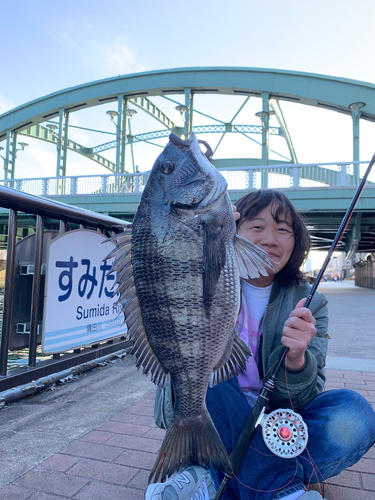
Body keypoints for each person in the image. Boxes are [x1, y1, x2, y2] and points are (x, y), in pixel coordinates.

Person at [146, 189, 375, 500]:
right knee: (208, 360)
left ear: (296, 241)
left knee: (356, 414)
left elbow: (304, 398)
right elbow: (164, 252)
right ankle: (281, 490)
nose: (270, 239)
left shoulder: (311, 302)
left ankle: (210, 478)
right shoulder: (199, 278)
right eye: (256, 227)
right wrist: (206, 237)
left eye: (283, 229)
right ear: (233, 232)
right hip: (211, 415)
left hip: (275, 422)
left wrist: (296, 360)